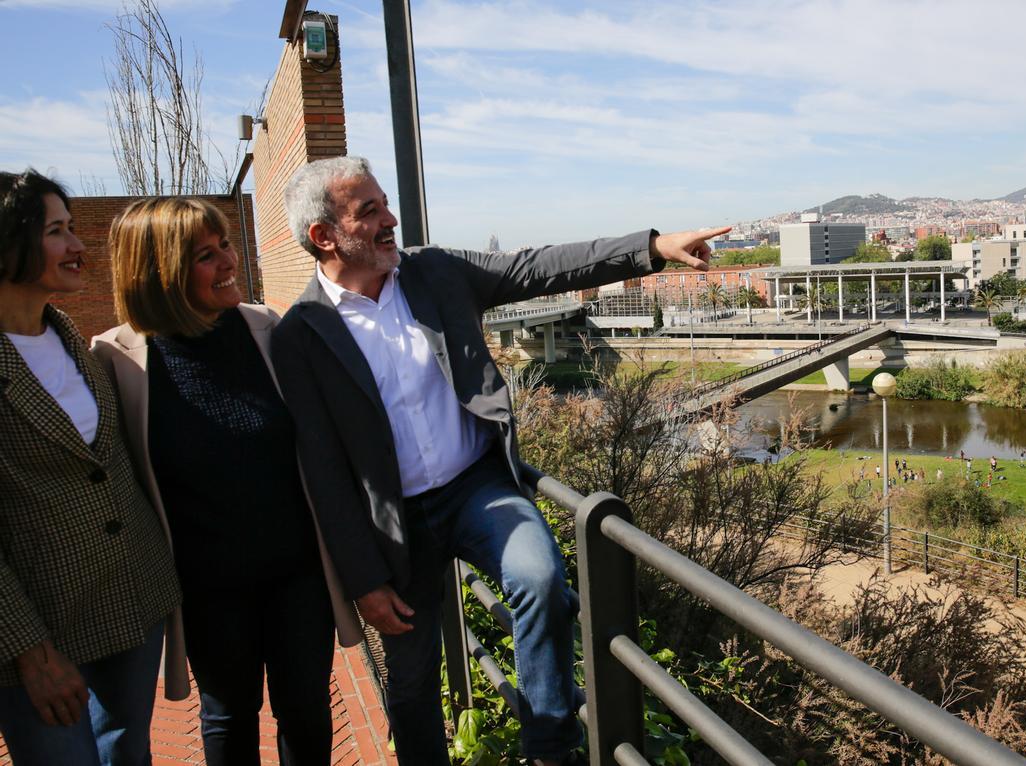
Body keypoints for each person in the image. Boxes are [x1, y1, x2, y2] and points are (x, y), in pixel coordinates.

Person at [270, 156, 729, 766]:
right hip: (394, 528)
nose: (390, 219)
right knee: (410, 687)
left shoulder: (433, 273)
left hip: (474, 491)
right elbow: (321, 471)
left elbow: (536, 267)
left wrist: (651, 247)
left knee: (540, 580)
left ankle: (548, 751)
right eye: (370, 210)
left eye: (385, 202)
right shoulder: (301, 334)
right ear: (324, 236)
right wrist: (364, 580)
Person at [93, 197, 363, 764]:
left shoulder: (266, 329)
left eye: (225, 247)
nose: (228, 262)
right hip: (207, 588)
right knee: (228, 716)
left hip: (297, 576)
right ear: (160, 273)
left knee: (307, 710)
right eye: (205, 256)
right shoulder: (116, 361)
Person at [0, 170, 181, 764]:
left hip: (133, 598)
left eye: (73, 227)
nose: (80, 246)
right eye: (57, 231)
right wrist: (30, 652)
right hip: (42, 629)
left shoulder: (69, 336)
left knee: (129, 751)